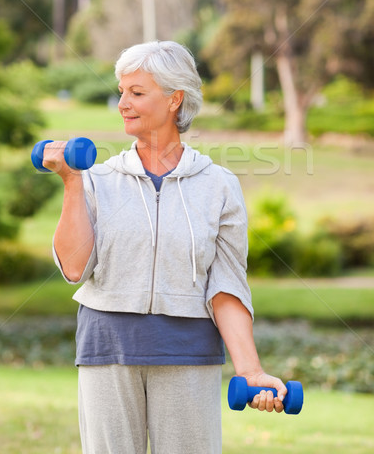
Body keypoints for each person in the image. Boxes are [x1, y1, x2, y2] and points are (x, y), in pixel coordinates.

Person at [43, 40, 287, 454]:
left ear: (175, 99)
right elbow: (73, 268)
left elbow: (226, 287)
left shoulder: (218, 186)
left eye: (137, 92)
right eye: (121, 90)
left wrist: (251, 370)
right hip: (108, 352)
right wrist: (71, 182)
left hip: (188, 354)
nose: (123, 102)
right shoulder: (98, 178)